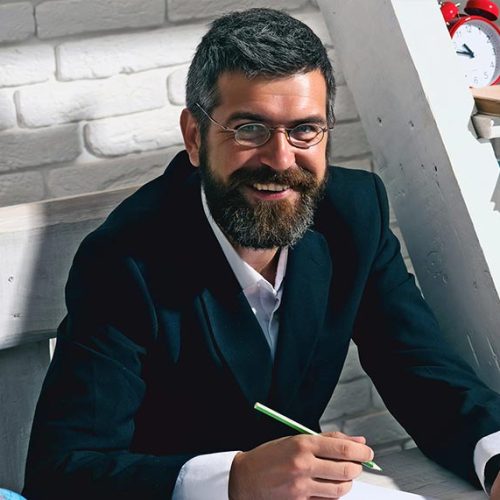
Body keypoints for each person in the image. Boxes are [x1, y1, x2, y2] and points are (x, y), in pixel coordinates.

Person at [23, 8, 500, 500]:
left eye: (305, 129)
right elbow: (61, 473)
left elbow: (421, 372)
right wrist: (235, 478)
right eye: (249, 129)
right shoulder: (123, 261)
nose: (280, 159)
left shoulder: (356, 214)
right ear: (195, 137)